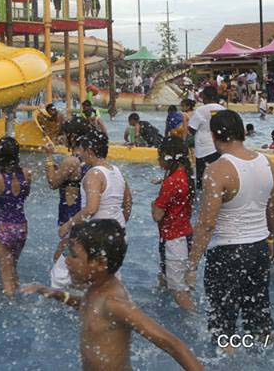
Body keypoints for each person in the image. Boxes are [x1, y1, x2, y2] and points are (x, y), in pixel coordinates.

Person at [21, 220, 203, 371]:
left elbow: (172, 344)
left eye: (73, 255)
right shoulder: (96, 290)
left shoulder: (114, 303)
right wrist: (58, 295)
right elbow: (89, 306)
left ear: (100, 263)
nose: (66, 261)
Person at [185, 110, 274, 352]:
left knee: (224, 329)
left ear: (214, 135)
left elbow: (206, 223)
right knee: (260, 322)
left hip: (227, 255)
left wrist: (192, 265)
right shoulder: (268, 163)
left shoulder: (218, 170)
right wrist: (270, 238)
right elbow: (273, 210)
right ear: (242, 132)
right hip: (258, 250)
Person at [53, 126, 131, 288]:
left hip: (95, 236)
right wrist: (118, 224)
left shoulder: (94, 174)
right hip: (117, 234)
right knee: (109, 280)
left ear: (89, 151)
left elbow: (91, 208)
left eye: (81, 149)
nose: (80, 153)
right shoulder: (116, 171)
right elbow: (128, 202)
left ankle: (73, 307)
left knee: (59, 275)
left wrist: (68, 225)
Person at [0, 137, 32, 297]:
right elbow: (24, 196)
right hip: (22, 227)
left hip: (3, 229)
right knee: (13, 269)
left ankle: (11, 308)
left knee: (5, 275)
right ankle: (20, 295)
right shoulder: (27, 173)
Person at [152, 136, 195, 311]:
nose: (158, 160)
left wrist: (153, 205)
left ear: (167, 157)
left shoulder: (173, 181)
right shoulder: (184, 174)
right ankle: (158, 310)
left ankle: (195, 321)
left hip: (174, 240)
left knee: (178, 291)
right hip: (183, 236)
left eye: (160, 156)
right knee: (164, 280)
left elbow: (157, 215)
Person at [186, 85, 225, 189]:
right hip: (220, 149)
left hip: (204, 151)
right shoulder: (223, 109)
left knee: (202, 184)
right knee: (217, 181)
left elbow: (191, 129)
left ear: (206, 97)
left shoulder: (200, 110)